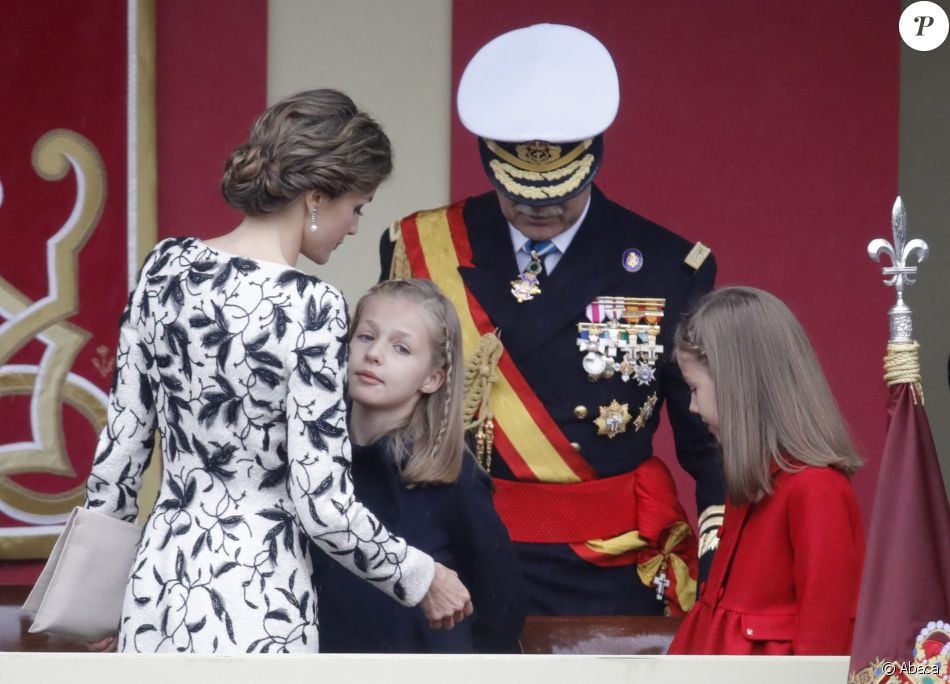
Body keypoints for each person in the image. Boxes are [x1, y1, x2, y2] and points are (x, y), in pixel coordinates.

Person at [83, 89, 472, 653]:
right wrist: (421, 575)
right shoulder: (312, 306)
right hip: (258, 598)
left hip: (158, 586)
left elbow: (118, 455)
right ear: (315, 198)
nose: (356, 226)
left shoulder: (165, 267)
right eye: (356, 207)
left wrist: (100, 599)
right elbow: (324, 509)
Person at [379, 24, 726, 617]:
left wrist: (722, 565)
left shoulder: (668, 266)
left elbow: (708, 441)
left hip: (609, 566)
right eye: (518, 194)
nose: (539, 207)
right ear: (489, 163)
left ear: (594, 160)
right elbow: (389, 417)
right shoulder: (421, 245)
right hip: (458, 555)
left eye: (560, 191)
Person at [313, 279, 526, 653]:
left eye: (401, 348)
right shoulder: (312, 455)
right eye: (365, 336)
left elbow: (501, 603)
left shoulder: (450, 475)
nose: (375, 354)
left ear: (432, 378)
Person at [667, 286, 865, 655]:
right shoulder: (753, 482)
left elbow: (823, 644)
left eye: (695, 389)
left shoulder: (816, 490)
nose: (692, 407)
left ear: (736, 387)